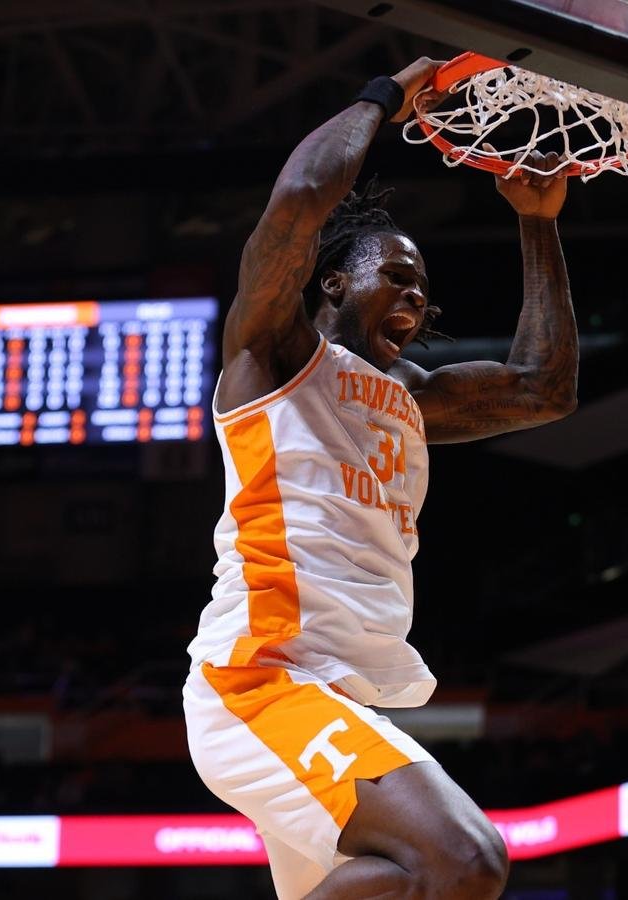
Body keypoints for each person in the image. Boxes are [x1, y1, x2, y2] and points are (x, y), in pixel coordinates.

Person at [182, 58, 578, 900]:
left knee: (414, 881)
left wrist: (537, 222)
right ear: (332, 281)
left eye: (422, 289)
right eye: (396, 275)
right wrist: (384, 95)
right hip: (259, 680)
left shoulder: (411, 399)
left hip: (335, 690)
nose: (414, 295)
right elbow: (300, 201)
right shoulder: (273, 356)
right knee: (466, 859)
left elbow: (545, 389)